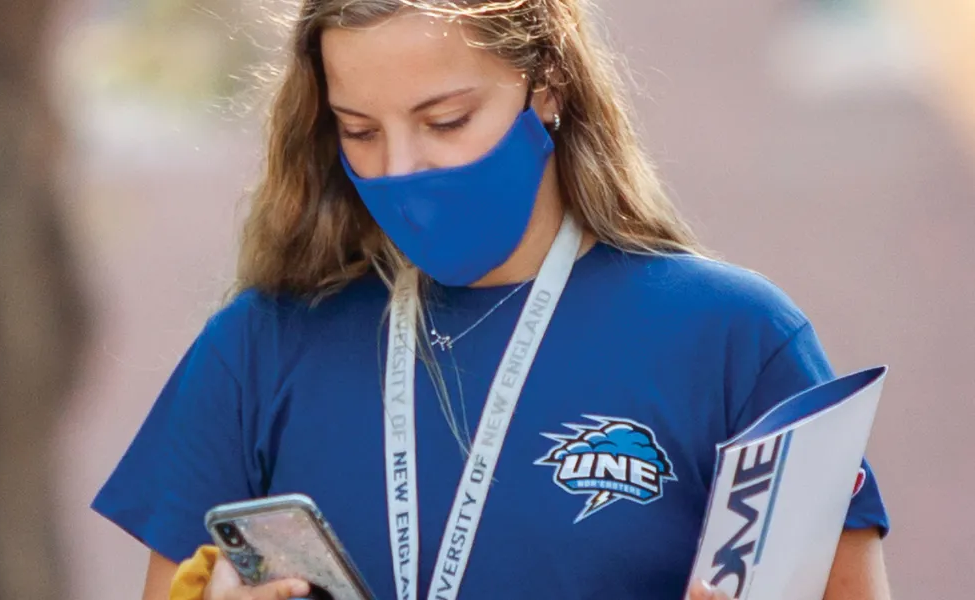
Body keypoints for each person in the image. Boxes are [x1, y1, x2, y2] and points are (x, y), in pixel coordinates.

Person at [91, 0, 893, 598]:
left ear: (546, 84)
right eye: (359, 130)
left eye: (445, 121)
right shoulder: (254, 349)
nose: (401, 169)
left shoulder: (736, 342)